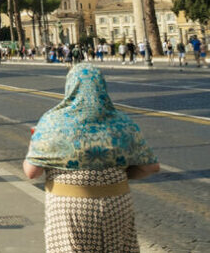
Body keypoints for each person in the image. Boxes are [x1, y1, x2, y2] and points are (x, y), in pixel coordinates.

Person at [23, 63, 160, 253]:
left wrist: (33, 146)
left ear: (70, 87)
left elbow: (32, 172)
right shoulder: (122, 121)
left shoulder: (52, 121)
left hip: (69, 207)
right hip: (117, 204)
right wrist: (115, 176)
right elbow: (151, 167)